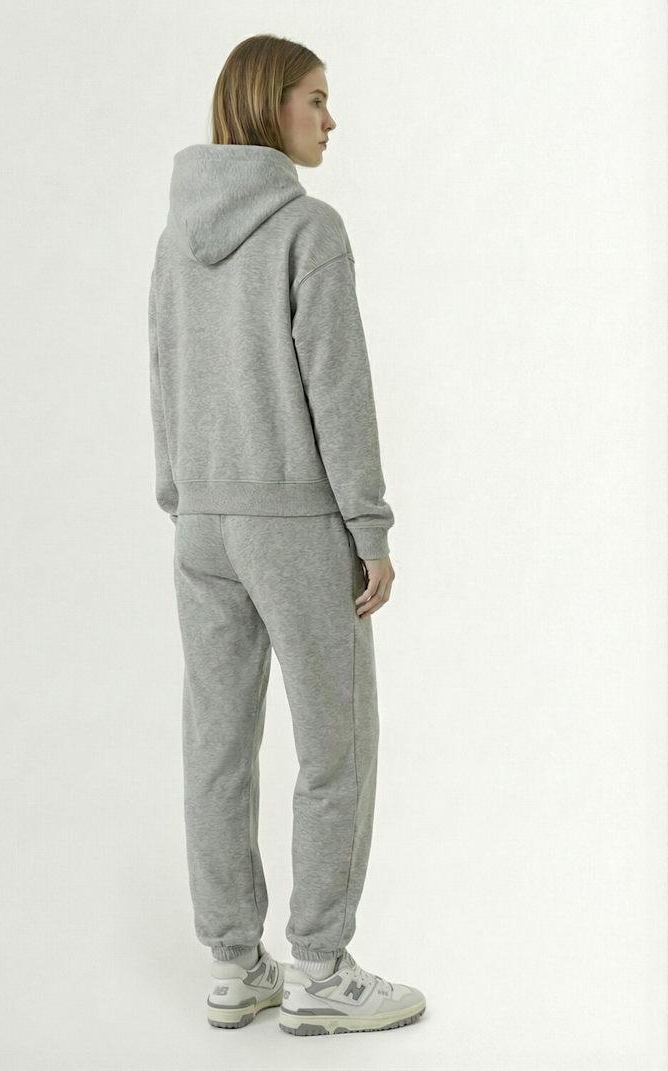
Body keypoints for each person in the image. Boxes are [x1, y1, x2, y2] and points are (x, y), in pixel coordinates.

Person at [148, 33, 426, 1036]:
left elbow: (161, 369)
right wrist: (368, 525)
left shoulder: (175, 238)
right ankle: (319, 968)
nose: (329, 118)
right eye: (315, 98)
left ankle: (234, 965)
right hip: (294, 524)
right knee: (333, 744)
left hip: (202, 525)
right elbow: (338, 391)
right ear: (271, 105)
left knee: (217, 743)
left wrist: (182, 494)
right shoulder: (310, 229)